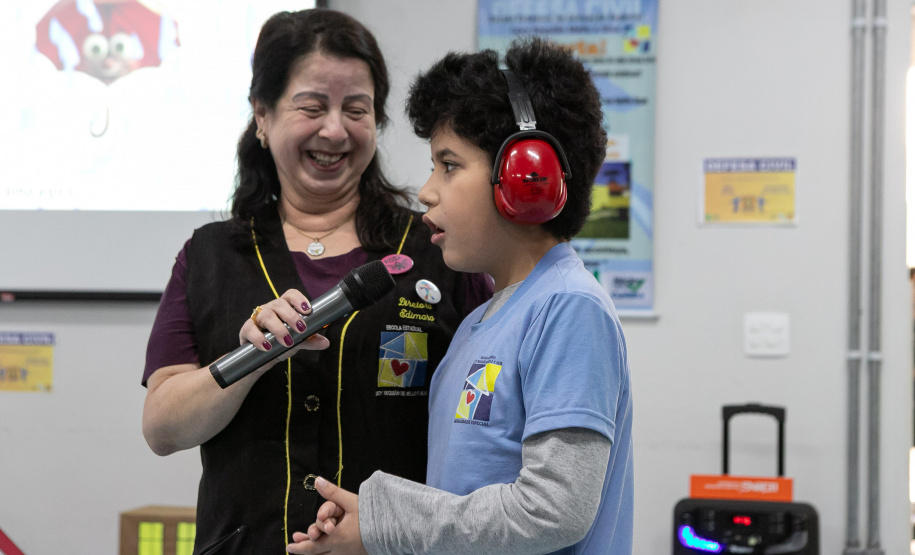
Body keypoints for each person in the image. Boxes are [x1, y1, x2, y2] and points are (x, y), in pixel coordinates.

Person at [140, 9, 493, 554]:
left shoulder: (437, 248)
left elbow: (487, 418)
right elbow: (163, 429)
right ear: (262, 115)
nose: (335, 130)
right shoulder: (210, 256)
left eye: (357, 110)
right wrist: (256, 357)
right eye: (311, 107)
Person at [287, 37, 634, 555]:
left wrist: (389, 523)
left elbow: (553, 511)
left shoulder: (568, 309)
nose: (427, 190)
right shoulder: (480, 323)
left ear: (523, 178)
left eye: (448, 165)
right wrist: (371, 524)